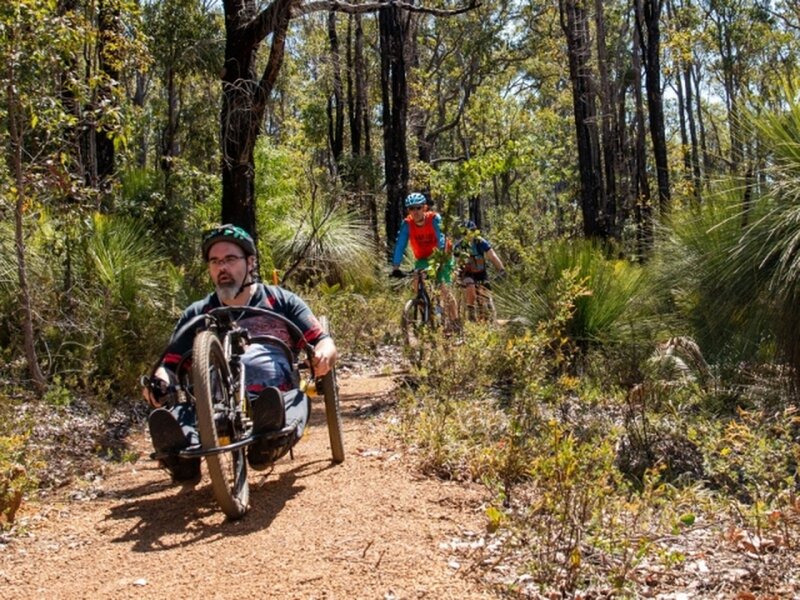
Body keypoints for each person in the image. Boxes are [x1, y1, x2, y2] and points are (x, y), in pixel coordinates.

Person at [142, 224, 338, 483]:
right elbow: (170, 363)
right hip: (212, 402)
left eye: (230, 259)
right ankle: (182, 459)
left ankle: (268, 443)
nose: (222, 268)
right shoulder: (197, 313)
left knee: (289, 404)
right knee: (175, 417)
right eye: (215, 261)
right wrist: (161, 381)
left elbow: (322, 340)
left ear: (250, 262)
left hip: (274, 396)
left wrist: (323, 354)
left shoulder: (280, 301)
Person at [389, 192, 458, 323]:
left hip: (442, 256)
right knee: (416, 282)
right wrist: (396, 267)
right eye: (411, 208)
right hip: (423, 259)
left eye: (418, 207)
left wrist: (439, 261)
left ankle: (455, 323)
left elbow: (441, 240)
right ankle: (427, 313)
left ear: (425, 208)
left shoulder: (434, 219)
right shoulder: (407, 224)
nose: (415, 211)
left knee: (444, 290)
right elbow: (400, 245)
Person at [455, 220, 505, 321]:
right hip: (466, 274)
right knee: (470, 286)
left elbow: (492, 256)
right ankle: (471, 314)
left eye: (472, 231)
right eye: (466, 232)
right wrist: (456, 275)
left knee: (485, 295)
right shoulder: (460, 246)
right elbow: (455, 262)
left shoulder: (480, 242)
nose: (469, 235)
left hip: (481, 273)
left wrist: (501, 269)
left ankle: (491, 319)